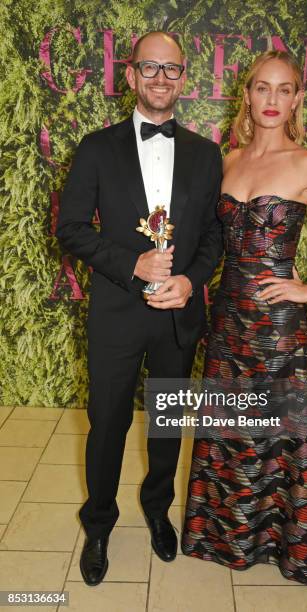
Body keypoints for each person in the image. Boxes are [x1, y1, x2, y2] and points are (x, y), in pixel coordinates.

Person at [181, 49, 307, 584]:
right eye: (262, 88)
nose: (272, 99)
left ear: (296, 99)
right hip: (228, 318)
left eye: (284, 89)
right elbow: (208, 243)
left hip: (279, 326)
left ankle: (287, 546)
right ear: (246, 96)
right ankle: (227, 538)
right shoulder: (226, 161)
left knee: (283, 436)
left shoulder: (306, 163)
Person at [56, 31, 223, 586]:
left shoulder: (206, 154)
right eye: (148, 68)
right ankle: (99, 522)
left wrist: (189, 280)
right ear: (129, 76)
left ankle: (157, 509)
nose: (159, 78)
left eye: (170, 69)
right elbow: (72, 229)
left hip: (178, 317)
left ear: (184, 78)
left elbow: (213, 241)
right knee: (107, 424)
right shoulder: (96, 148)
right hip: (115, 315)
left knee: (168, 423)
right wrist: (133, 266)